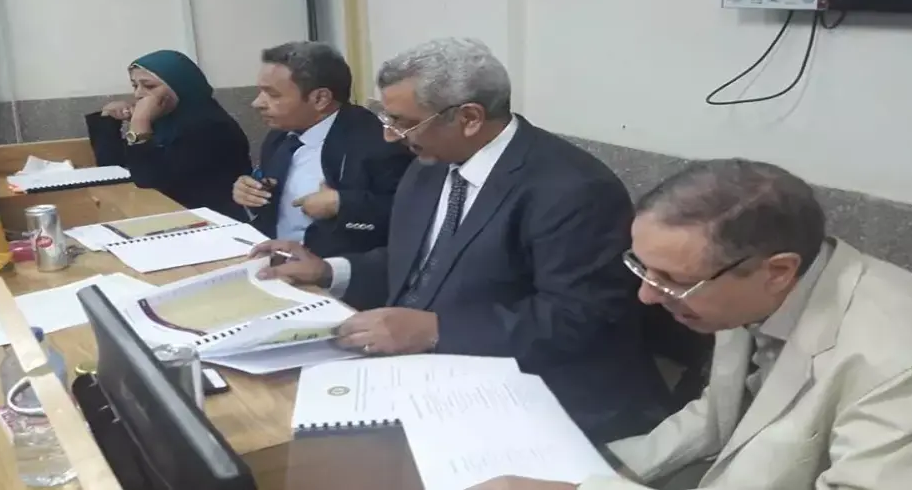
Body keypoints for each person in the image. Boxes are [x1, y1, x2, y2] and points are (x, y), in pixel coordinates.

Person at [469, 159, 912, 490]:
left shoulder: (904, 360)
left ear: (778, 271)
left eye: (671, 280)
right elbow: (718, 415)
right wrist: (597, 468)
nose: (647, 295)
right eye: (641, 268)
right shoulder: (745, 289)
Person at [250, 37, 672, 443]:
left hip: (545, 399)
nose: (390, 136)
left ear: (469, 118)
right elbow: (421, 264)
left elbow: (579, 317)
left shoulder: (572, 189)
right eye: (387, 119)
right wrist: (331, 271)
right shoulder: (430, 166)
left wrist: (436, 331)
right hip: (423, 372)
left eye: (404, 123)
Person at [232, 42, 412, 256]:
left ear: (320, 98)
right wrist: (250, 195)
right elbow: (271, 203)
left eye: (273, 95)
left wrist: (342, 205)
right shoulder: (279, 137)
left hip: (333, 266)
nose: (257, 103)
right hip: (270, 255)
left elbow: (410, 214)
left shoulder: (379, 142)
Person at [86, 49, 249, 219]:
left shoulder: (211, 127)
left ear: (180, 87)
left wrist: (140, 125)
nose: (138, 94)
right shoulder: (164, 121)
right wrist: (108, 120)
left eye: (149, 86)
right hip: (174, 215)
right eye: (135, 86)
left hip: (213, 221)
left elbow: (148, 181)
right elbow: (113, 167)